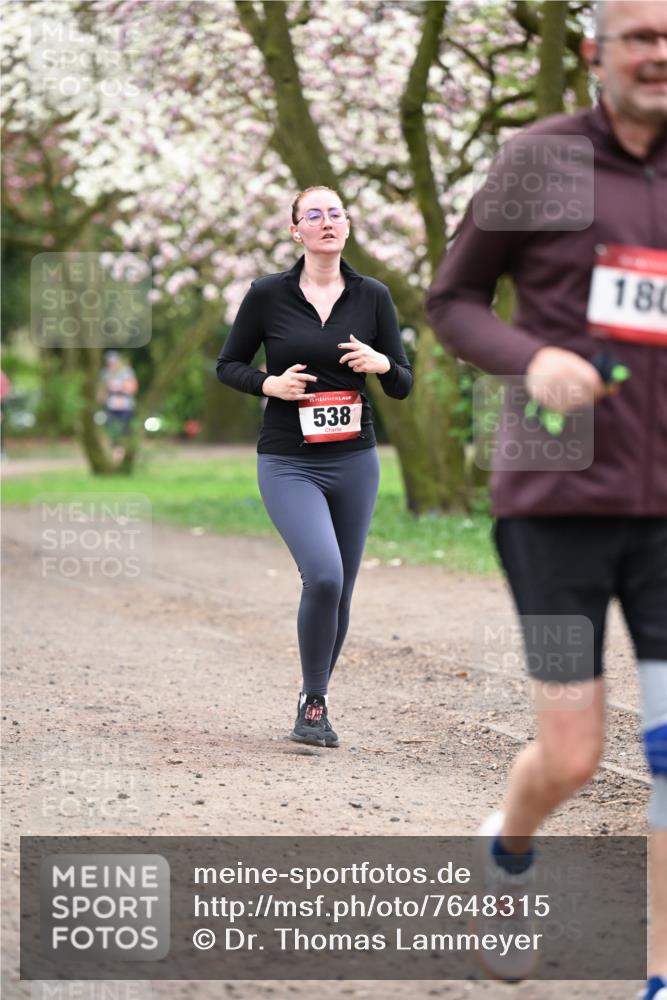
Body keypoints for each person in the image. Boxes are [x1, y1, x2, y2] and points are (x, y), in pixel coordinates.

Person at [426, 0, 666, 992]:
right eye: (643, 37)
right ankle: (510, 851)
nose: (661, 56)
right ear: (594, 52)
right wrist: (531, 360)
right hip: (553, 503)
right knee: (570, 755)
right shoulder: (540, 162)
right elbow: (452, 302)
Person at [216, 186, 412, 748]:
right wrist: (269, 384)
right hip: (288, 461)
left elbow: (402, 382)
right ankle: (315, 694)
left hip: (354, 459)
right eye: (314, 215)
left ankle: (313, 699)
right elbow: (228, 365)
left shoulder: (373, 296)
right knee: (322, 574)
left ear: (347, 227)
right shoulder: (267, 295)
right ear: (295, 230)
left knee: (342, 588)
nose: (327, 222)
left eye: (336, 213)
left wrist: (381, 364)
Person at [97, 350, 138, 458]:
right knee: (111, 429)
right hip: (111, 406)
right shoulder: (105, 373)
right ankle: (115, 451)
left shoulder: (127, 372)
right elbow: (101, 392)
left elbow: (132, 388)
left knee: (124, 429)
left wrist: (119, 387)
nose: (112, 364)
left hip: (125, 406)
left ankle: (122, 452)